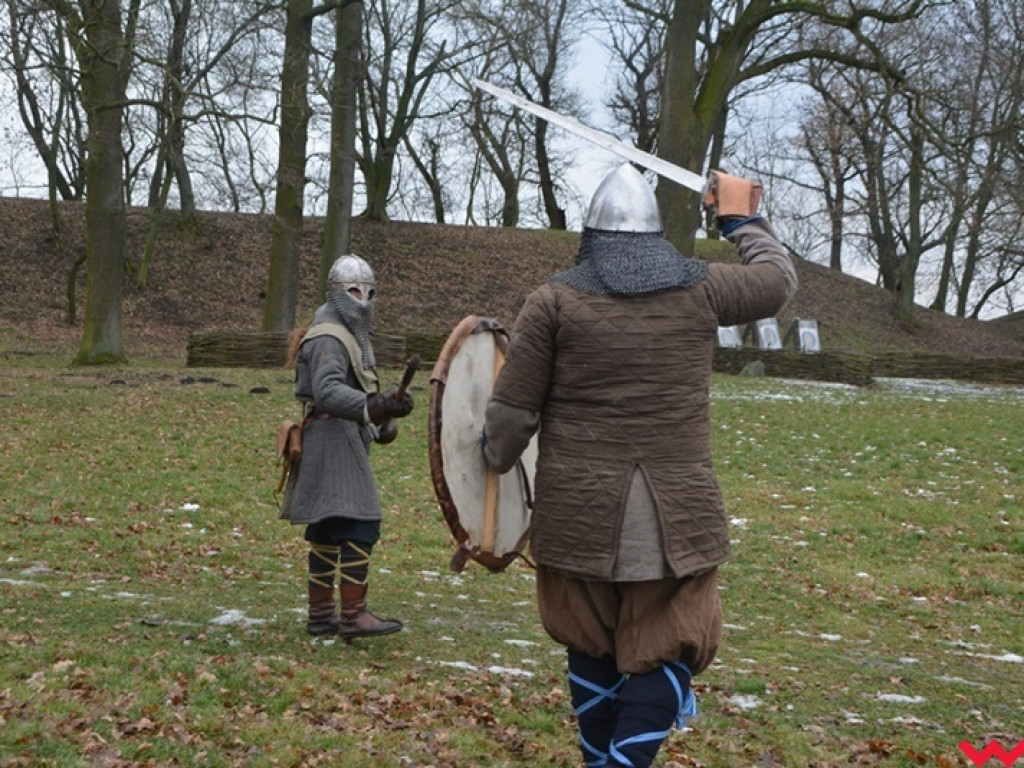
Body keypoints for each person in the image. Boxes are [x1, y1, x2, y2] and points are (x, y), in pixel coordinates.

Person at [482, 165, 797, 767]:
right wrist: (743, 220)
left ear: (591, 234)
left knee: (588, 642)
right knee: (668, 644)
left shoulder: (553, 300)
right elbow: (776, 281)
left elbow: (512, 415)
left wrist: (491, 462)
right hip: (674, 518)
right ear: (654, 233)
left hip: (576, 514)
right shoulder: (701, 287)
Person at [287, 254, 414, 639]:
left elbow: (358, 392)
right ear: (338, 294)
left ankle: (322, 616)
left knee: (329, 528)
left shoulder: (348, 334)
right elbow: (326, 392)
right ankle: (353, 615)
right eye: (354, 291)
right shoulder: (329, 335)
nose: (363, 298)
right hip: (332, 439)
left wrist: (387, 413)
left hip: (338, 439)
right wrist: (370, 406)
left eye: (369, 292)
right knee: (361, 523)